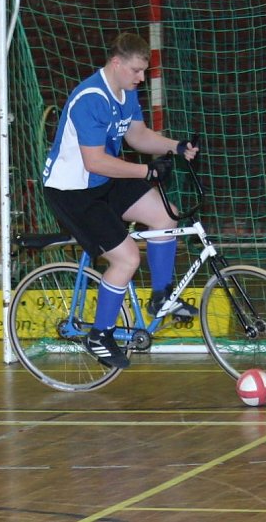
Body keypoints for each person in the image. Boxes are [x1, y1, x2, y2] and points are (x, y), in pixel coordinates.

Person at [42, 32, 200, 370]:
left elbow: (137, 135)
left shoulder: (126, 92)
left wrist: (176, 146)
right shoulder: (90, 99)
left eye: (144, 71)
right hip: (73, 192)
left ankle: (161, 297)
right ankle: (100, 335)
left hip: (103, 180)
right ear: (116, 63)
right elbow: (94, 161)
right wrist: (145, 172)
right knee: (127, 258)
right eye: (136, 71)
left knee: (165, 216)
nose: (141, 78)